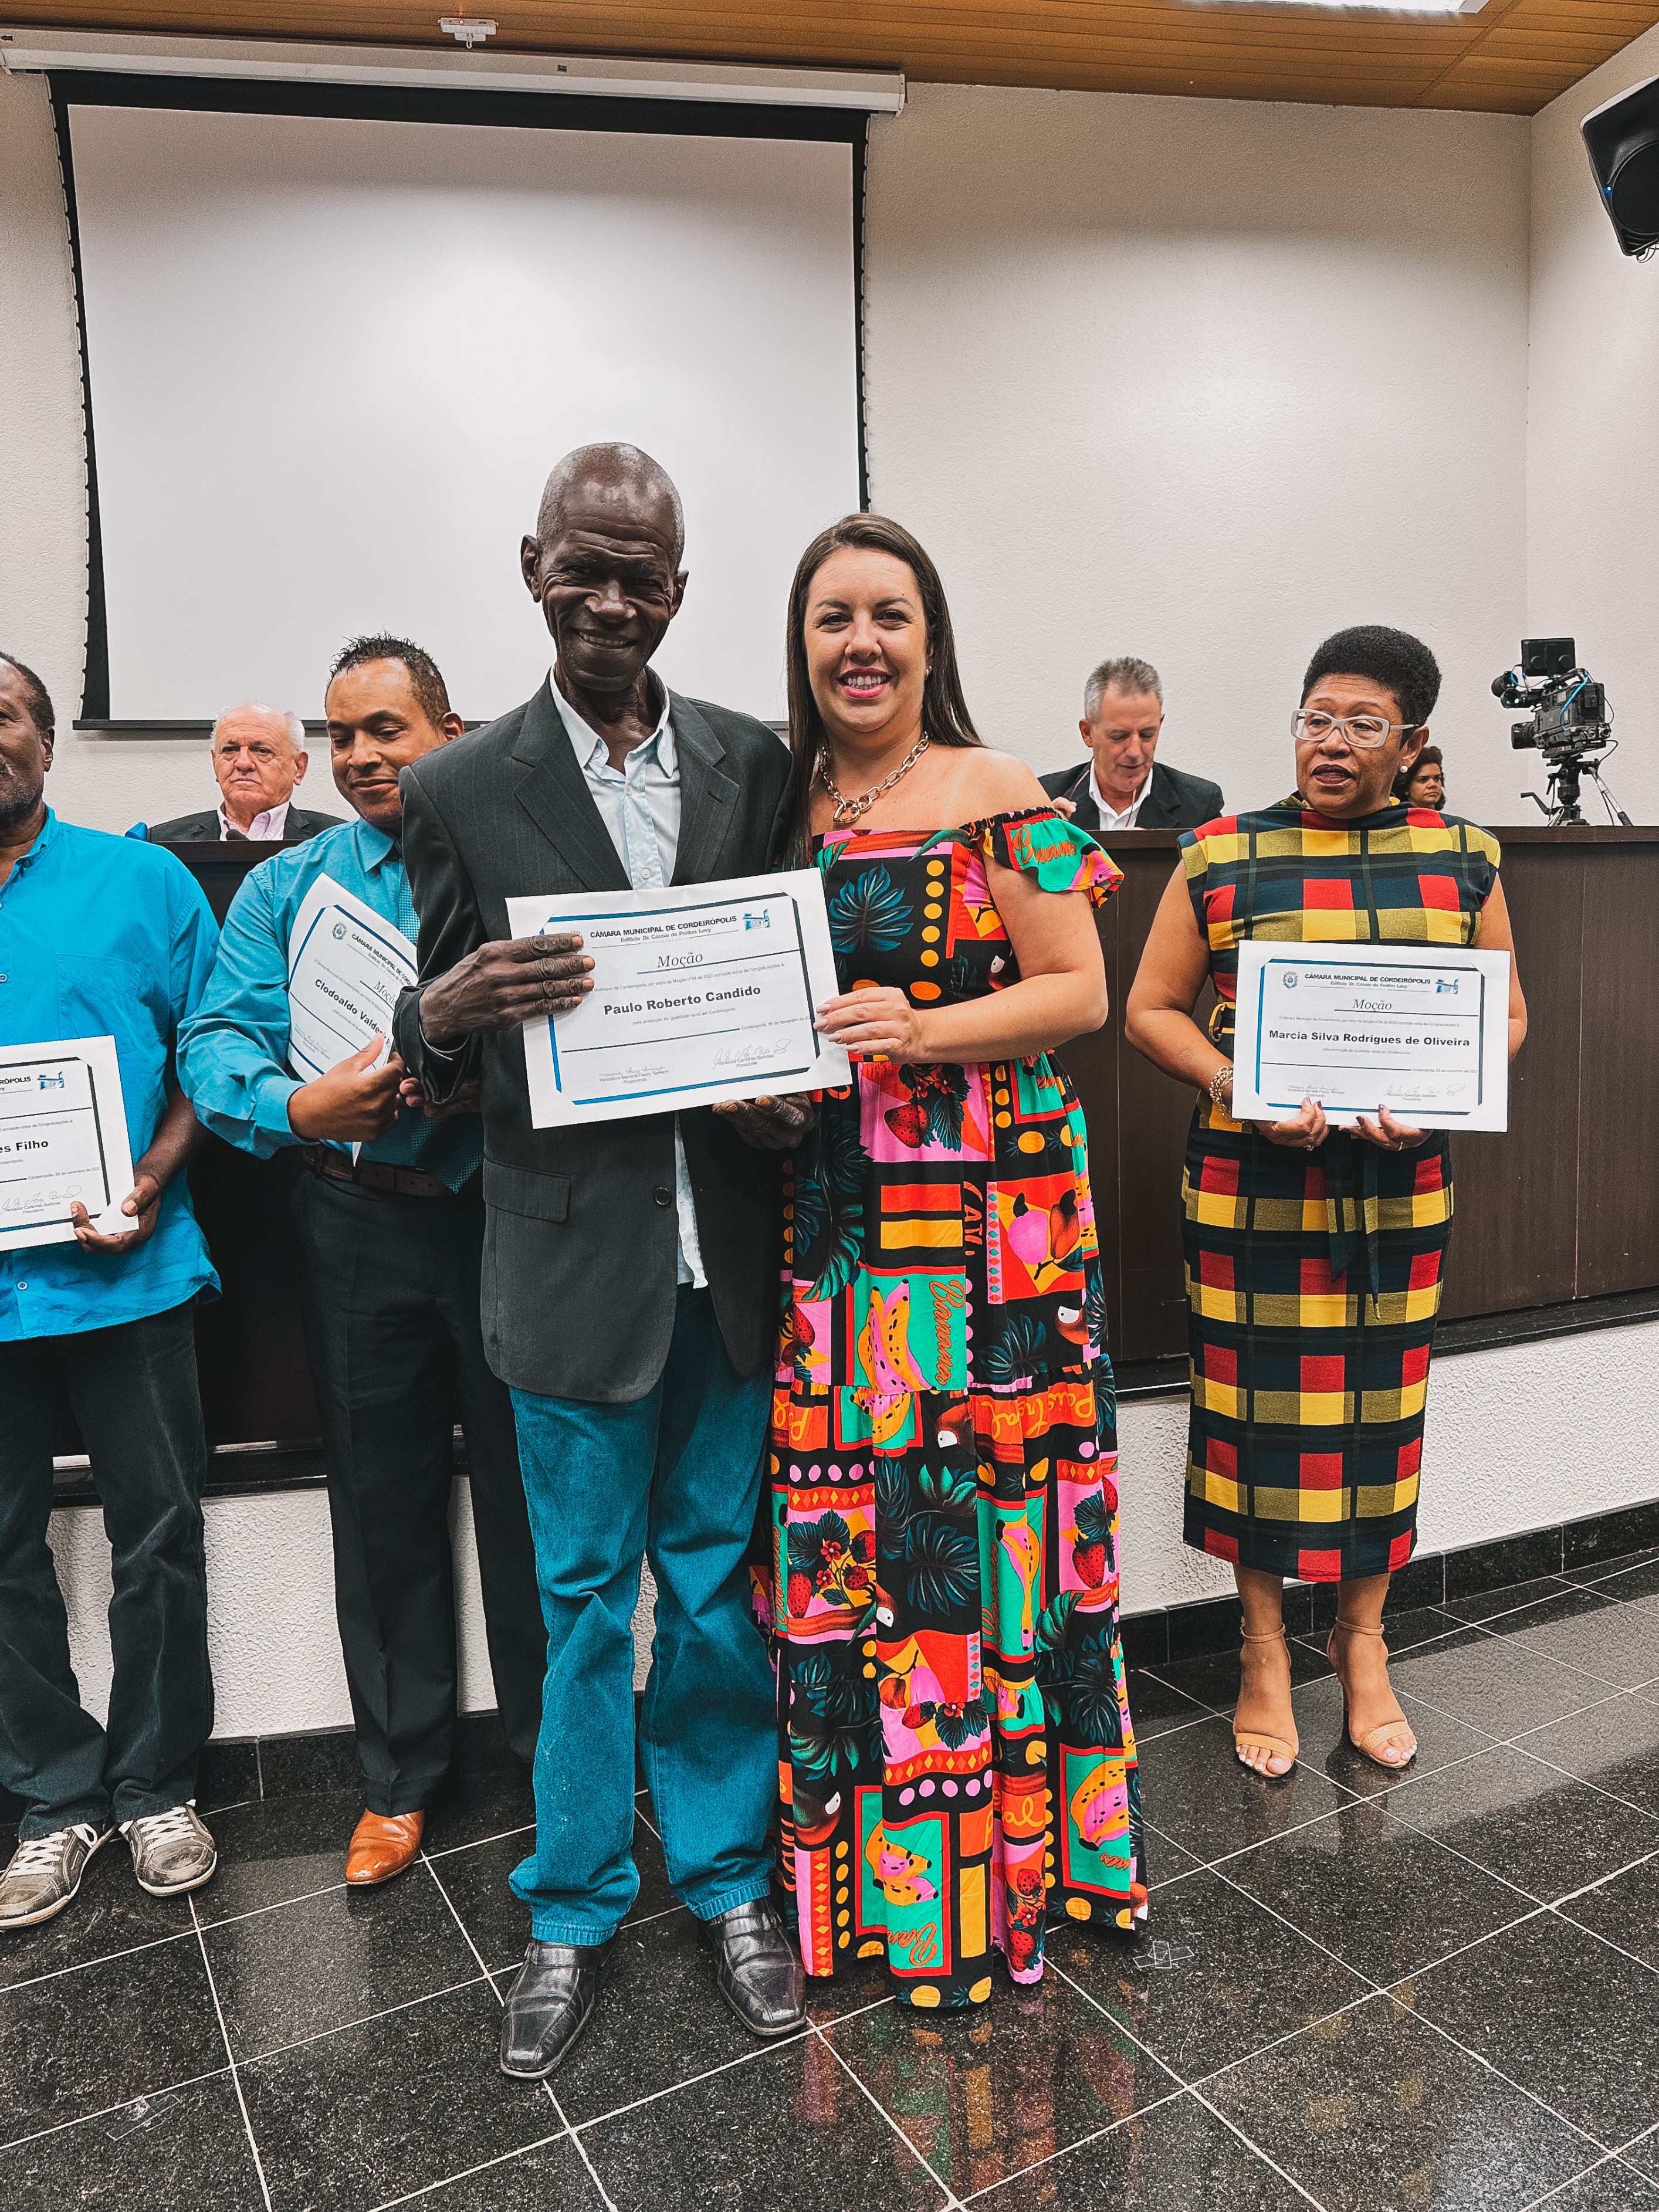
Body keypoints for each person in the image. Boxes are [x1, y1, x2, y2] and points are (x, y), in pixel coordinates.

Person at [392, 443, 811, 2079]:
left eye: (643, 577)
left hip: (730, 1263)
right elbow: (440, 1058)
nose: (612, 603)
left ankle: (724, 1878)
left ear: (679, 593)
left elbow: (773, 993)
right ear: (532, 566)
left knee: (709, 1587)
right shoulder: (457, 787)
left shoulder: (752, 760)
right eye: (586, 569)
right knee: (579, 1604)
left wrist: (783, 1094)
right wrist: (439, 1013)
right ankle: (569, 1905)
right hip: (566, 1270)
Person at [759, 513, 1149, 2012]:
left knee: (985, 1529)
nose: (861, 642)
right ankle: (877, 1898)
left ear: (931, 641)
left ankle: (1011, 1884)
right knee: (858, 1528)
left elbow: (1079, 990)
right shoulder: (778, 802)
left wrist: (920, 1030)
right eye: (833, 616)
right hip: (843, 1226)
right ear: (801, 643)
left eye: (890, 615)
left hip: (994, 1231)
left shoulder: (997, 788)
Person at [1125, 626, 1527, 1779]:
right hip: (1247, 1193)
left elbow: (1506, 1017)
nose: (1331, 742)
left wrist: (1439, 1098)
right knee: (1249, 1420)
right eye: (1315, 717)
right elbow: (1148, 1009)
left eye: (1361, 723)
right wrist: (1233, 1085)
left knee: (1377, 1424)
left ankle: (1361, 1641)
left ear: (1410, 740)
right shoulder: (1220, 852)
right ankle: (1261, 1648)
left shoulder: (1463, 858)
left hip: (1394, 1192)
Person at [178, 636, 547, 1887]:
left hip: (503, 1211)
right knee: (381, 1506)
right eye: (342, 735)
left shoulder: (518, 869)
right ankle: (399, 1781)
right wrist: (297, 1107)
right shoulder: (289, 886)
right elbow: (214, 1041)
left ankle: (555, 1760)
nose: (363, 755)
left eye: (387, 728)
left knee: (532, 1499)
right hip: (353, 1218)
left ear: (451, 734)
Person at [0, 651, 223, 1929]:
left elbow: (212, 1054)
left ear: (46, 741)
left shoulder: (144, 881)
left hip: (127, 1274)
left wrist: (145, 1177)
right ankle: (54, 1798)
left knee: (159, 1537)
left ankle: (156, 1786)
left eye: (5, 715)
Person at [1041, 656, 1222, 831]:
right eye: (1119, 736)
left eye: (1147, 734)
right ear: (1087, 733)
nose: (1135, 752)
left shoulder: (1200, 806)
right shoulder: (1043, 799)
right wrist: (1046, 839)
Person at [144, 703, 344, 843]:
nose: (243, 763)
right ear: (215, 763)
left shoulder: (336, 841)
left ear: (299, 767)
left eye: (262, 751)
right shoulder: (163, 842)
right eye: (230, 750)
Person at [1396, 742, 1445, 809]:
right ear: (1406, 788)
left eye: (1437, 779)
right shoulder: (1394, 816)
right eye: (1423, 780)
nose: (1433, 784)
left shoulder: (1447, 817)